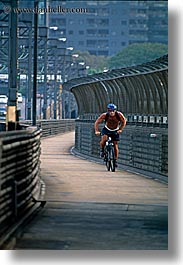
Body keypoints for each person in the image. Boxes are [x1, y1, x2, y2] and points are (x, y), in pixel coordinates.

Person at [94, 103, 126, 167]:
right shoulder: (104, 115)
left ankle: (115, 160)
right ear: (108, 111)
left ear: (115, 110)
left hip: (115, 130)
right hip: (107, 129)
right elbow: (97, 122)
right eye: (110, 111)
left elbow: (124, 121)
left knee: (115, 145)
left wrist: (120, 129)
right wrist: (96, 131)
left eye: (113, 110)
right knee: (103, 140)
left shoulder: (119, 115)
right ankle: (102, 150)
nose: (111, 112)